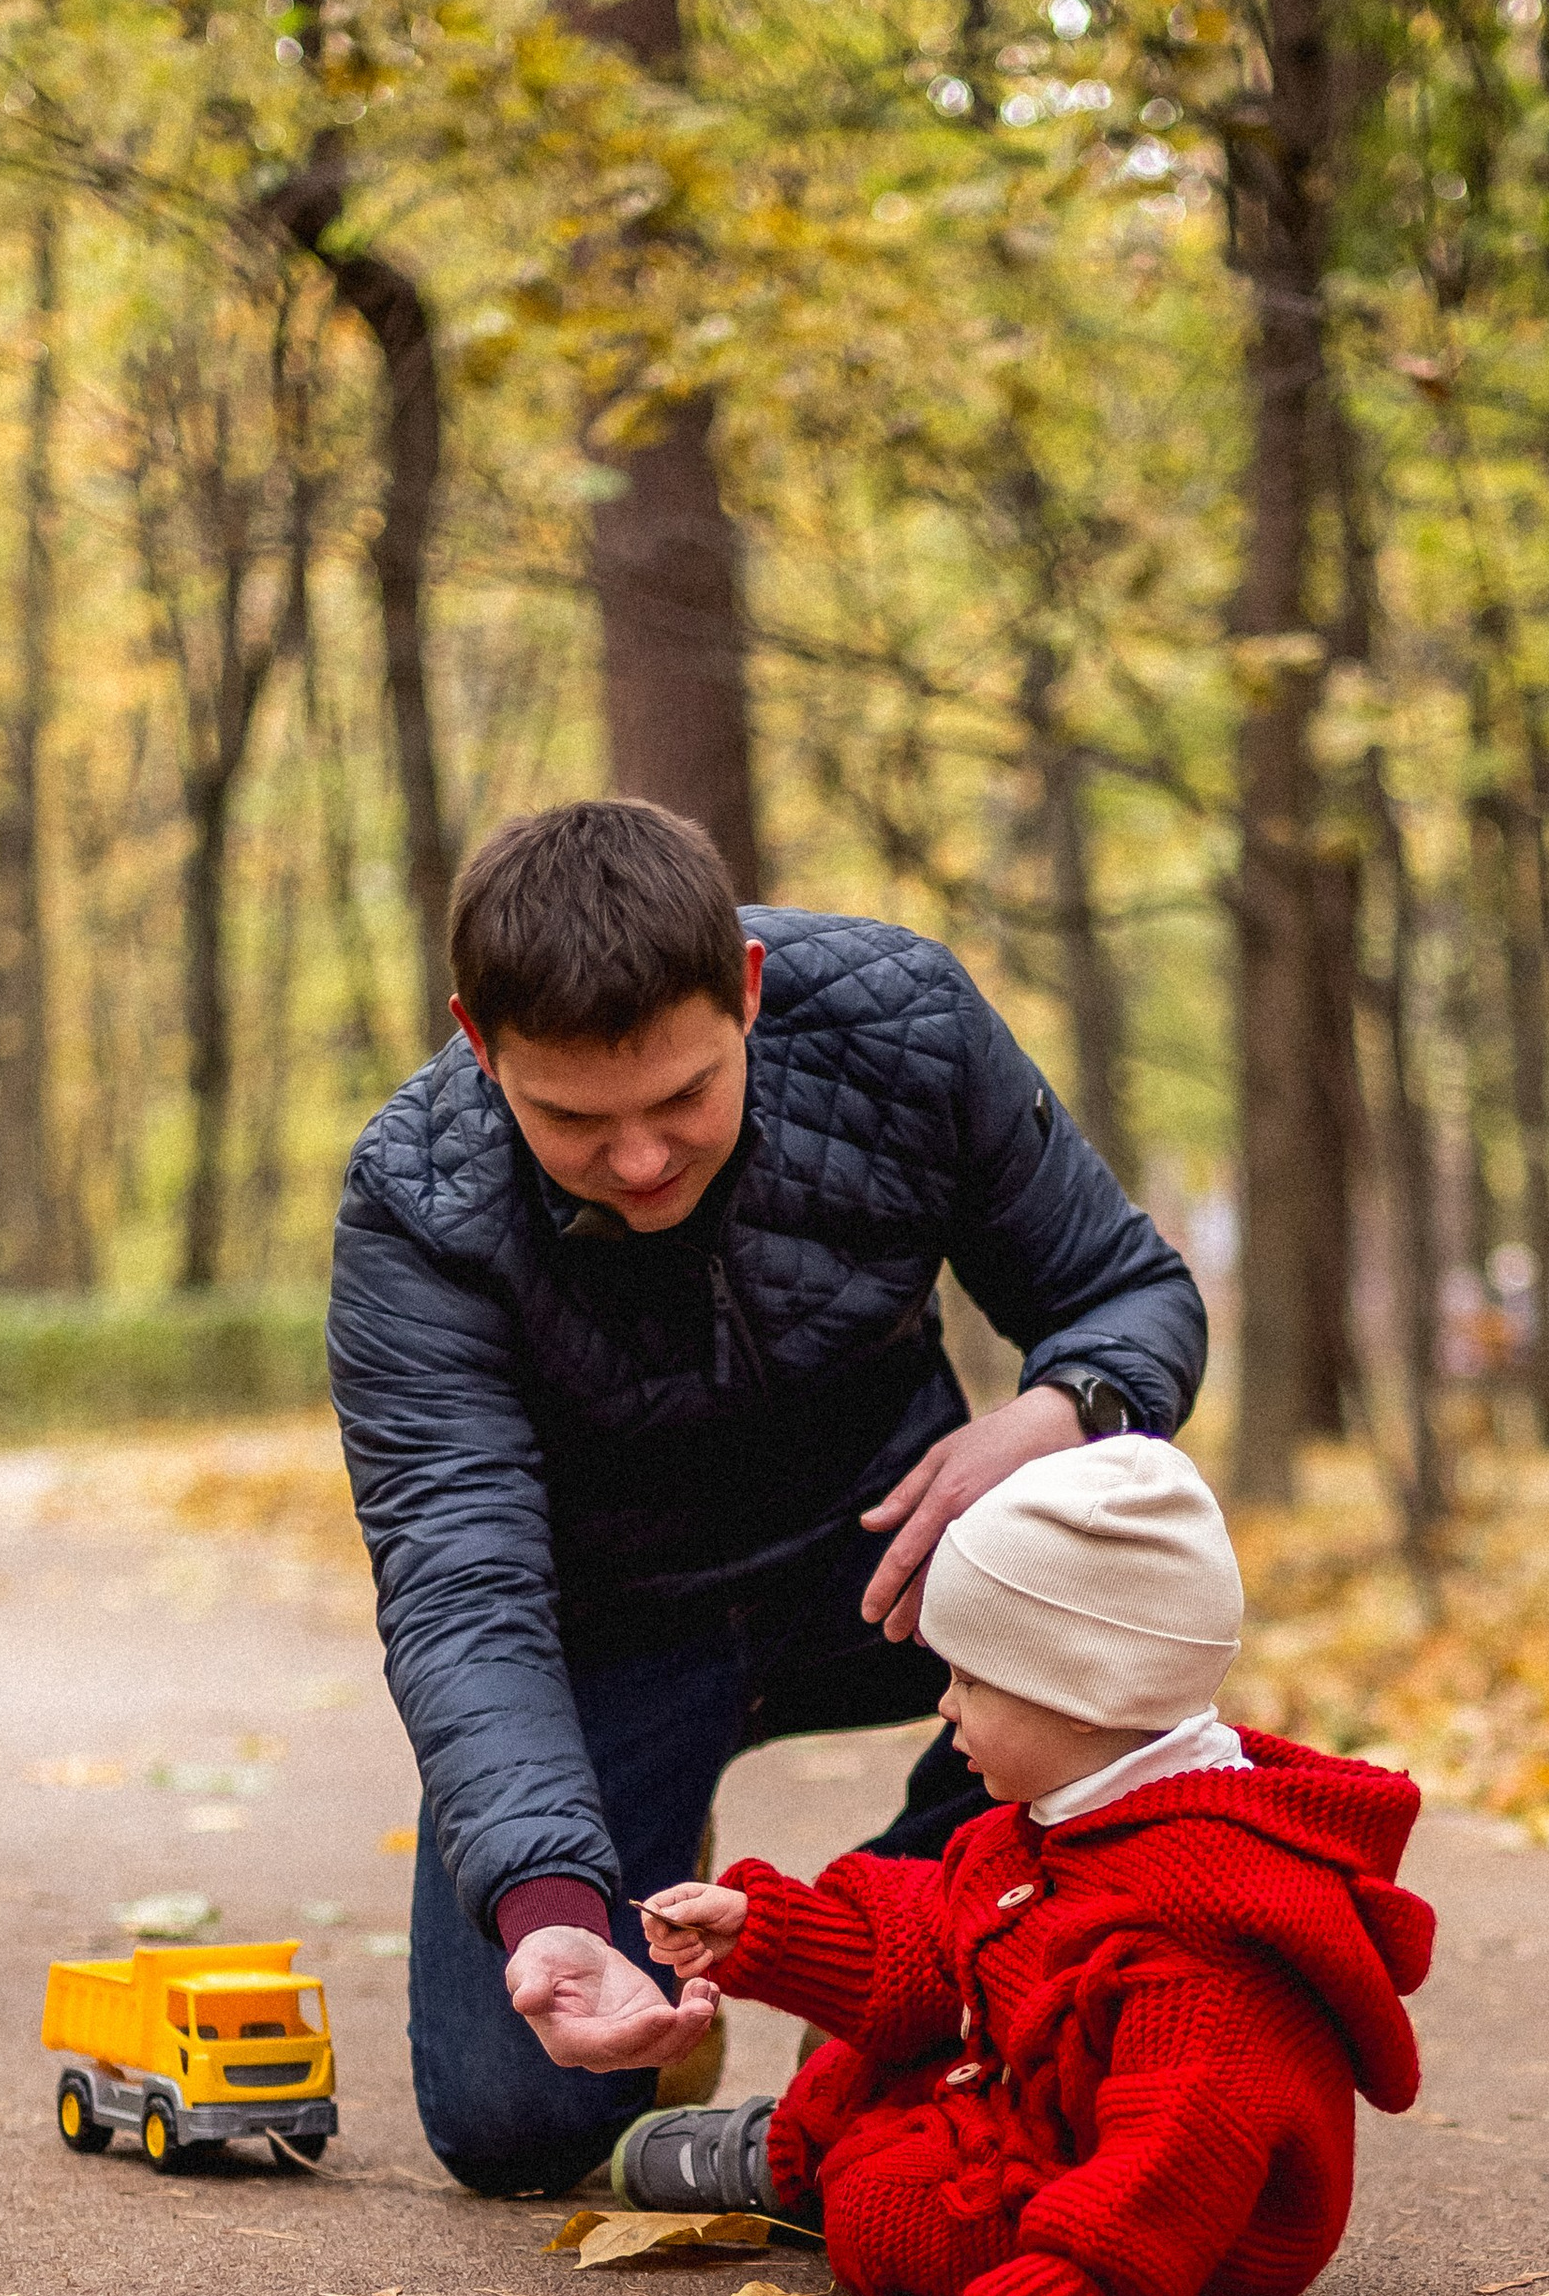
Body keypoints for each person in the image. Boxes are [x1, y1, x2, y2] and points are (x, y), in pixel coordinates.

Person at [327, 797, 1207, 2198]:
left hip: (896, 1571)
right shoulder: (415, 1205)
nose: (638, 1160)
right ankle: (652, 1881)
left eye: (682, 1097)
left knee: (1133, 1508)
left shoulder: (900, 1027)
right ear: (482, 1045)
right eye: (571, 1117)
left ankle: (926, 1942)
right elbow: (461, 1590)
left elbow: (1125, 1294)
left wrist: (1057, 1414)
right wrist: (552, 1907)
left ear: (745, 989)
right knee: (519, 2121)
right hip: (617, 1625)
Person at [613, 1437, 1436, 2296]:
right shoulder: (1063, 1814)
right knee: (880, 2051)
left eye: (970, 1681)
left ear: (1080, 1693)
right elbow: (933, 1928)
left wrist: (1068, 2288)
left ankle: (817, 2180)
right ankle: (791, 2153)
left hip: (1186, 2228)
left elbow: (1186, 2135)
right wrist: (771, 1929)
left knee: (884, 2211)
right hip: (1055, 2114)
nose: (947, 1709)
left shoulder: (1204, 1920)